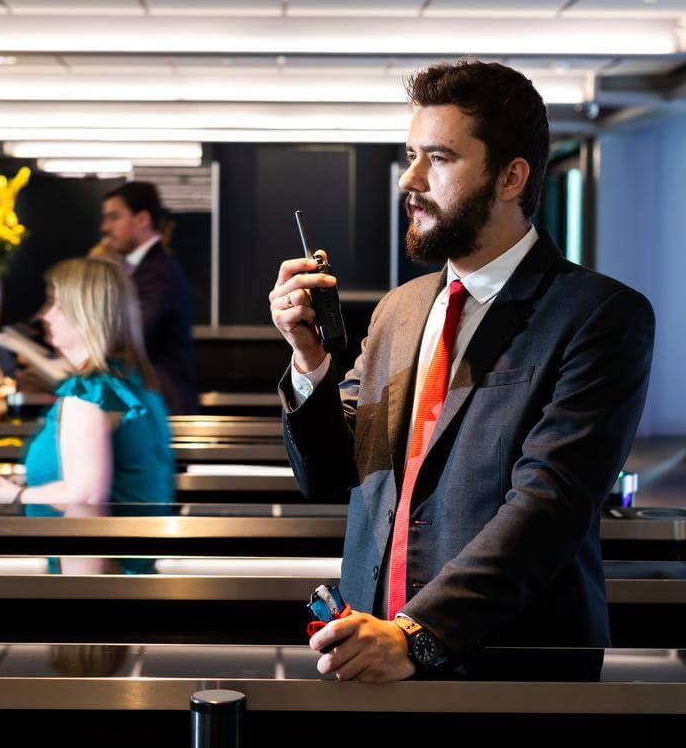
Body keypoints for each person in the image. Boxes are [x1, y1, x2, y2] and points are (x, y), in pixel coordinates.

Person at [271, 59, 654, 683]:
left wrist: (416, 636)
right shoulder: (400, 310)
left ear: (511, 177)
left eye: (439, 159)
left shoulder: (599, 315)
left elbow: (547, 507)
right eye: (410, 155)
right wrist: (310, 360)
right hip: (369, 646)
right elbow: (331, 473)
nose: (410, 180)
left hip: (512, 664)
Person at [0, 257, 175, 508]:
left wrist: (14, 495)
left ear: (87, 317)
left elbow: (85, 497)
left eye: (58, 306)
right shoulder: (128, 379)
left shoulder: (91, 392)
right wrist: (33, 483)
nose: (45, 315)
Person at [100, 181, 198, 415]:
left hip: (162, 407)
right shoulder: (143, 267)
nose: (105, 227)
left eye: (114, 217)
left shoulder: (157, 272)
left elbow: (130, 337)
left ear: (142, 219)